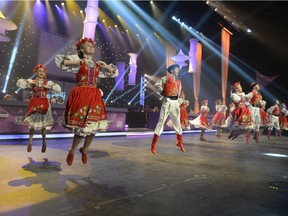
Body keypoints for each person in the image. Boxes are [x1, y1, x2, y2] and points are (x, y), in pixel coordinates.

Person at [55, 37, 118, 166]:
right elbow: (60, 61)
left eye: (92, 46)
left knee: (93, 128)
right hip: (82, 94)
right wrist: (75, 62)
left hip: (94, 96)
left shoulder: (97, 65)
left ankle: (84, 150)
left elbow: (113, 73)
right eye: (88, 45)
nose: (91, 48)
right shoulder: (79, 62)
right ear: (82, 48)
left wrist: (105, 66)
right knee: (81, 128)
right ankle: (72, 151)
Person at [16, 64, 61, 153]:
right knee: (31, 125)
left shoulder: (48, 83)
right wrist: (29, 82)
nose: (41, 73)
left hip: (44, 104)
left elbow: (58, 90)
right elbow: (20, 84)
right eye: (39, 71)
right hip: (34, 103)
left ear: (45, 73)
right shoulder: (32, 81)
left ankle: (44, 143)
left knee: (43, 126)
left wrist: (50, 87)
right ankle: (30, 142)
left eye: (43, 71)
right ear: (36, 72)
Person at [150, 63, 185, 154]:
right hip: (167, 101)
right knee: (161, 122)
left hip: (175, 103)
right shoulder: (165, 78)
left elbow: (179, 91)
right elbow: (157, 85)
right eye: (176, 69)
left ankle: (180, 142)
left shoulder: (179, 81)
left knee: (177, 122)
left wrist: (179, 100)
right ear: (172, 70)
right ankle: (154, 144)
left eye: (178, 69)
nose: (178, 70)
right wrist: (162, 92)